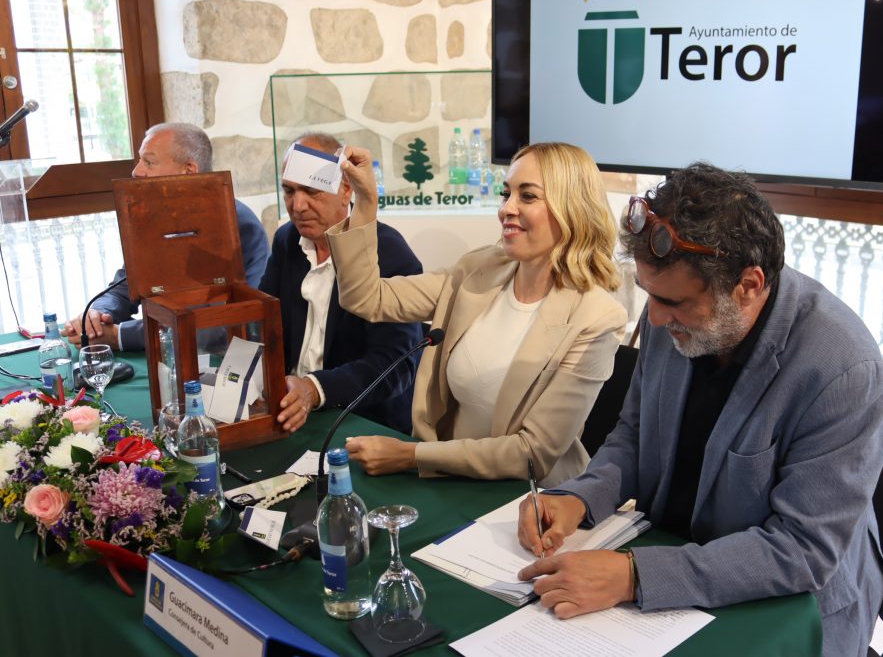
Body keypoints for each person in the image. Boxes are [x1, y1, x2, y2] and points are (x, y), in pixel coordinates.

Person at [515, 163, 883, 656]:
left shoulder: (844, 370)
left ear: (750, 285)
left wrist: (632, 575)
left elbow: (803, 550)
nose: (652, 318)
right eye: (649, 294)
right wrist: (581, 498)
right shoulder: (670, 313)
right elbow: (634, 433)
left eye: (672, 302)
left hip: (792, 608)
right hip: (676, 560)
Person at [326, 142, 627, 485]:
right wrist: (365, 202)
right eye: (506, 193)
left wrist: (409, 456)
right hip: (449, 482)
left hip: (532, 500)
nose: (506, 209)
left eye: (527, 196)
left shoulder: (597, 317)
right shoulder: (477, 269)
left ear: (572, 208)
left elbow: (532, 453)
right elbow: (367, 298)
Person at [260, 133, 424, 433]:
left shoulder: (388, 253)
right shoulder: (287, 240)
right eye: (289, 190)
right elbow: (263, 324)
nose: (297, 206)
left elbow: (394, 367)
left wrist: (314, 388)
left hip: (359, 421)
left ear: (346, 189)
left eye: (311, 191)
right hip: (289, 410)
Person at [62, 123, 269, 351]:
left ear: (188, 170)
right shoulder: (150, 220)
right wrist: (97, 315)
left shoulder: (238, 224)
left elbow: (221, 322)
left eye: (149, 162)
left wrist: (120, 336)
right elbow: (124, 286)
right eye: (139, 160)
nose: (137, 171)